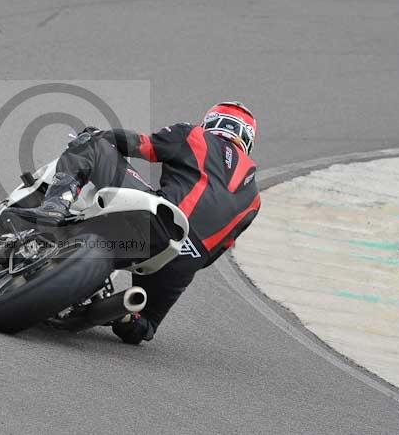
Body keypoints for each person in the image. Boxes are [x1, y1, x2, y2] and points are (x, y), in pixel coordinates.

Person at [23, 101, 261, 345]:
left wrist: (98, 134)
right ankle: (120, 315)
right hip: (185, 261)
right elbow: (217, 252)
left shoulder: (194, 134)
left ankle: (55, 206)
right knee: (144, 325)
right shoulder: (254, 199)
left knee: (94, 145)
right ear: (247, 140)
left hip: (159, 220)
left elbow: (142, 145)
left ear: (211, 122)